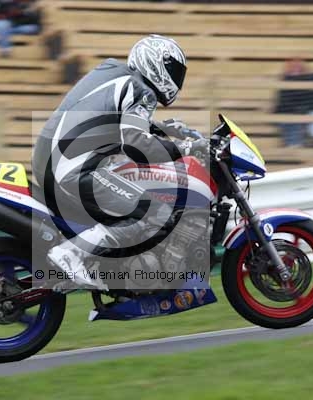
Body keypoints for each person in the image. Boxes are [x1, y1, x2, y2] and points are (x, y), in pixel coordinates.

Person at [32, 35, 208, 288]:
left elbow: (112, 119)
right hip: (72, 168)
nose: (176, 78)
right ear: (156, 63)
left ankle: (109, 267)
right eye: (173, 71)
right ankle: (71, 253)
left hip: (50, 159)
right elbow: (136, 143)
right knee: (151, 210)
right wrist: (185, 149)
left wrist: (165, 128)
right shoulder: (141, 90)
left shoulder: (115, 74)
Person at [274, 58, 310, 147]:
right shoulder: (283, 81)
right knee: (290, 120)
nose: (295, 68)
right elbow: (282, 101)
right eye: (293, 66)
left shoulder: (307, 81)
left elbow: (306, 100)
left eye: (298, 66)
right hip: (285, 112)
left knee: (296, 120)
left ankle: (293, 145)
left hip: (300, 113)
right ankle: (294, 145)